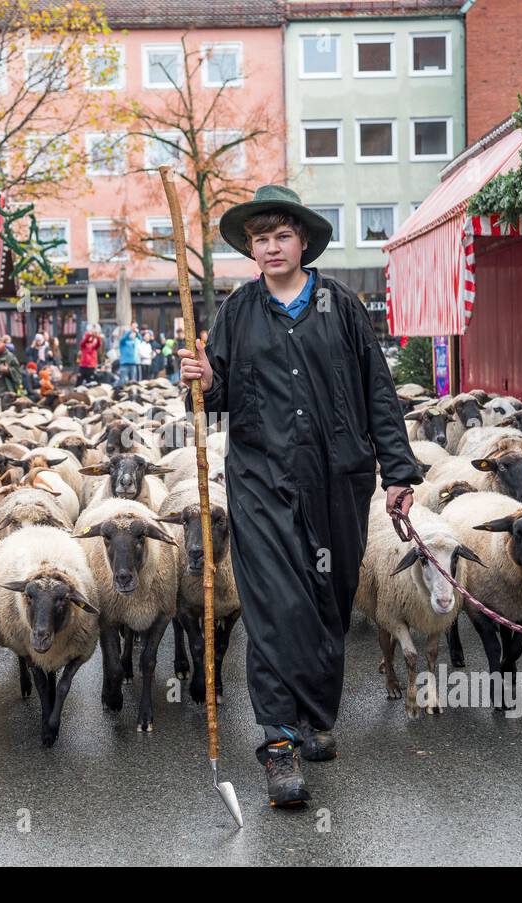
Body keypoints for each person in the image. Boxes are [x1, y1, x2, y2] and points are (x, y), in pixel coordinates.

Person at [178, 183, 420, 810]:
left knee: (329, 601)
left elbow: (378, 393)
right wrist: (203, 381)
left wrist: (398, 473)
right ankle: (278, 742)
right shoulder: (237, 312)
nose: (272, 247)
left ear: (304, 241)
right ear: (251, 250)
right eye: (261, 239)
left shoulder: (341, 306)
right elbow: (215, 400)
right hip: (261, 482)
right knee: (275, 605)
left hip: (337, 477)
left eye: (282, 235)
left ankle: (315, 716)